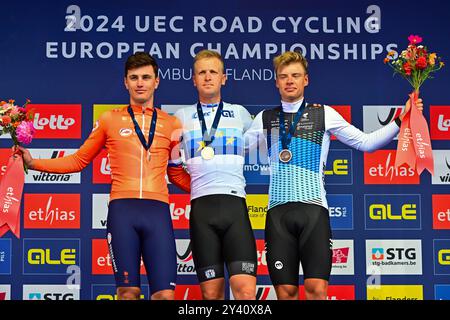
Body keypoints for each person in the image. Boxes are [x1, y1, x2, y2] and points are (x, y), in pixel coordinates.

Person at [244, 51, 423, 300]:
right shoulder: (265, 118)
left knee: (317, 290)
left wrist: (399, 120)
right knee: (285, 293)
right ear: (276, 81)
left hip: (314, 211)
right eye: (283, 76)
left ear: (306, 79)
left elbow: (366, 142)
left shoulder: (324, 113)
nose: (289, 81)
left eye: (295, 75)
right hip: (278, 214)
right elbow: (234, 150)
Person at [16, 52, 190, 300]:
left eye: (145, 77)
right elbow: (78, 160)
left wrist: (211, 187)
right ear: (125, 82)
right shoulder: (109, 119)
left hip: (158, 212)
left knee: (165, 295)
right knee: (127, 293)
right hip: (123, 211)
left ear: (156, 81)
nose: (140, 82)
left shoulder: (172, 124)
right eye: (134, 77)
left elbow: (175, 173)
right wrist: (33, 163)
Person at [173, 50, 257, 300]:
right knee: (211, 295)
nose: (207, 77)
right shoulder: (180, 118)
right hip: (201, 211)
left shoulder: (240, 114)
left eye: (213, 72)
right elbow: (173, 167)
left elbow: (270, 144)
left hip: (235, 208)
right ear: (193, 79)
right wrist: (198, 186)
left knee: (245, 291)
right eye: (202, 72)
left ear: (224, 78)